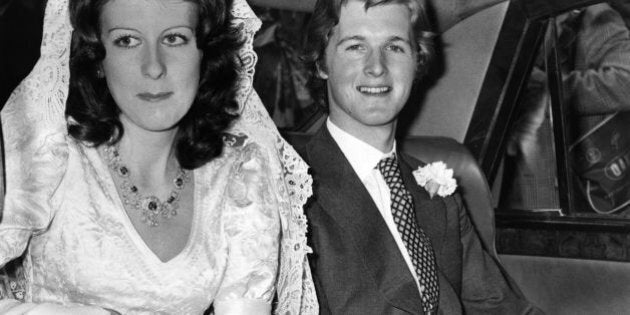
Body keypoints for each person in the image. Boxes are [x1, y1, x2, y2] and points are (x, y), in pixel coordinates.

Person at [0, 0, 317, 313]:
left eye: (174, 38)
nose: (153, 66)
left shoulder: (241, 175)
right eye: (127, 40)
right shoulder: (48, 155)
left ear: (204, 52)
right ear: (97, 56)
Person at [298, 0, 542, 313]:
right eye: (356, 46)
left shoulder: (436, 192)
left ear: (417, 61)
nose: (377, 67)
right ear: (322, 63)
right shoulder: (291, 188)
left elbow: (497, 305)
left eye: (395, 47)